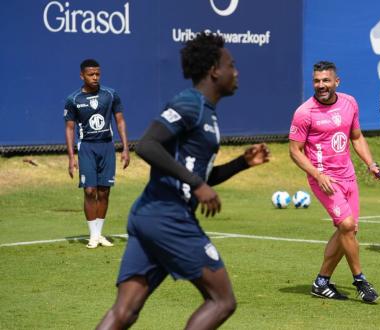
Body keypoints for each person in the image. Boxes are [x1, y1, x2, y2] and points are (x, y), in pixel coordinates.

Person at [97, 33, 270, 329]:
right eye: (232, 65)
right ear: (215, 70)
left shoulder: (209, 114)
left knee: (124, 312)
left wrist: (242, 163)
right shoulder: (190, 103)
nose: (236, 71)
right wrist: (198, 184)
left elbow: (199, 176)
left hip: (149, 216)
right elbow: (148, 145)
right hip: (169, 217)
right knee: (222, 301)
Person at [289, 61, 380, 303]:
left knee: (348, 231)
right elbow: (295, 151)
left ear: (336, 82)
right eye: (317, 81)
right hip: (325, 180)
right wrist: (318, 174)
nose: (321, 85)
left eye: (326, 81)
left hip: (348, 177)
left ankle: (321, 282)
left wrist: (371, 163)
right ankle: (360, 280)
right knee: (346, 226)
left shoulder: (349, 103)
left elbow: (356, 136)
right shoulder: (304, 112)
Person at [64, 59, 130, 249]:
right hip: (86, 148)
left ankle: (99, 234)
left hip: (107, 147)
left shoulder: (110, 95)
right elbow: (69, 129)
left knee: (104, 191)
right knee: (89, 190)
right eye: (91, 74)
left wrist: (125, 148)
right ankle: (93, 235)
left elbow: (120, 121)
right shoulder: (73, 99)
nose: (95, 77)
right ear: (82, 76)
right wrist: (71, 157)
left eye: (97, 74)